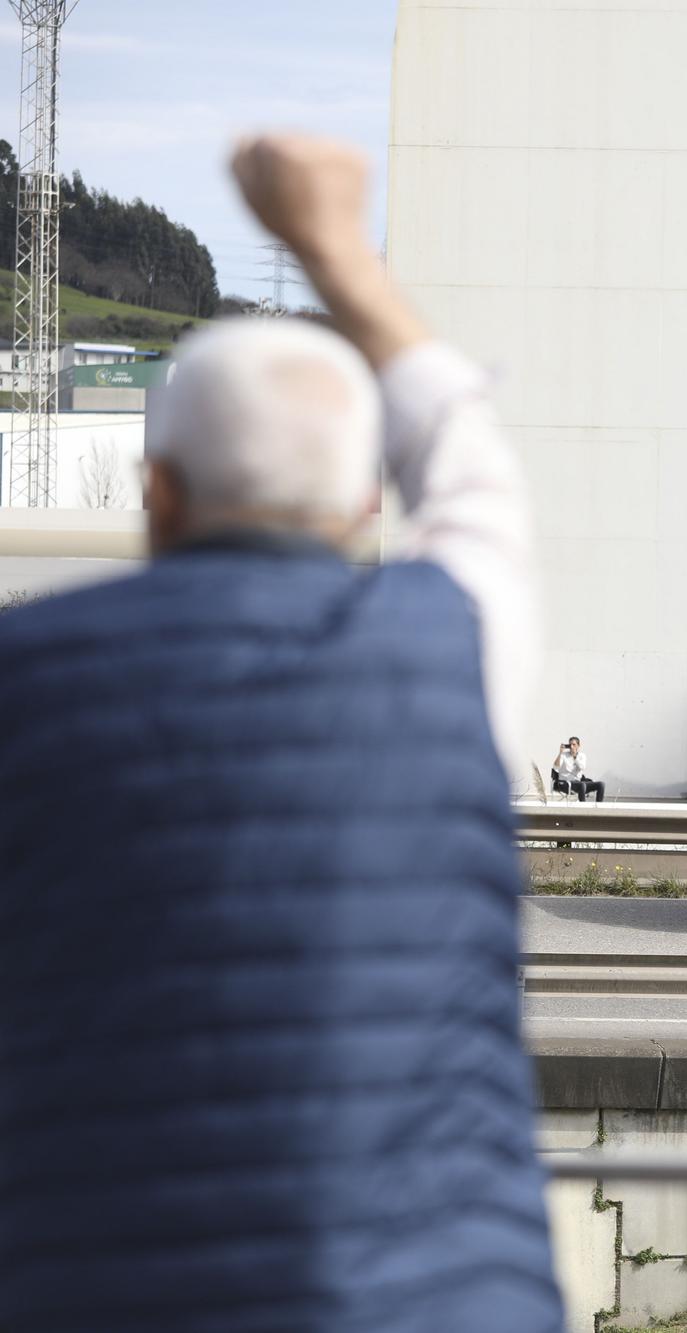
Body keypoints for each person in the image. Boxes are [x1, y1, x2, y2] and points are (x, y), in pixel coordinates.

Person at [0, 136, 560, 1332]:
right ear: (366, 504)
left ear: (158, 492)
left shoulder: (26, 679)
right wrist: (334, 245)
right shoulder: (451, 643)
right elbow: (466, 460)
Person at [553, 735, 606, 802]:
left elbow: (582, 767)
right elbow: (556, 767)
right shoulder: (563, 755)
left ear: (578, 746)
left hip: (578, 782)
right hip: (565, 783)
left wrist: (575, 757)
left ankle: (599, 807)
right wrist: (560, 753)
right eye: (570, 745)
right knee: (582, 785)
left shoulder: (582, 756)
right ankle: (583, 808)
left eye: (574, 744)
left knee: (601, 784)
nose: (572, 747)